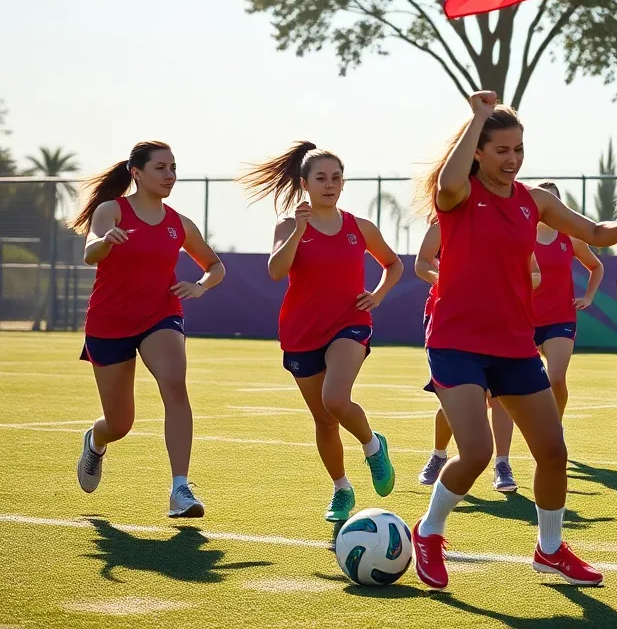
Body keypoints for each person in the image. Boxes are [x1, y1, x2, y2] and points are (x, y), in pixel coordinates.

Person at [410, 91, 617, 589]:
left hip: (514, 345)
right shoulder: (457, 197)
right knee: (475, 452)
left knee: (552, 451)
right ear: (477, 149)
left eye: (519, 149)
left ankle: (550, 549)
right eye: (501, 149)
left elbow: (595, 232)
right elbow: (450, 181)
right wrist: (475, 118)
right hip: (456, 341)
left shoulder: (534, 201)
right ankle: (429, 532)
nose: (513, 159)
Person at [238, 142, 402, 521]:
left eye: (336, 178)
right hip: (301, 331)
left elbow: (392, 265)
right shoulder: (288, 225)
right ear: (305, 184)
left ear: (343, 183)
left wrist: (377, 295)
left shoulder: (359, 227)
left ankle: (373, 446)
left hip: (350, 323)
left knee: (336, 399)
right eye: (321, 178)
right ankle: (341, 489)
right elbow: (276, 271)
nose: (330, 184)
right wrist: (298, 230)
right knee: (325, 420)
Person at [72, 141, 225, 518]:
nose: (170, 175)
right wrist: (105, 241)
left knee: (175, 383)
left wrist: (201, 285)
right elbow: (90, 250)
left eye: (173, 167)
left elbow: (214, 265)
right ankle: (96, 440)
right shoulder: (113, 211)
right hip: (110, 322)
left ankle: (180, 489)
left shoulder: (179, 223)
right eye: (161, 167)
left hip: (161, 315)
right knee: (120, 423)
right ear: (136, 172)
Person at [414, 218, 529, 492]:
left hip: (496, 318)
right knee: (458, 397)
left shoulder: (504, 218)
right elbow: (421, 263)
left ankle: (502, 464)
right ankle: (439, 454)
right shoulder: (444, 221)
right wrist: (446, 280)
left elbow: (532, 270)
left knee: (500, 395)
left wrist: (516, 285)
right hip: (448, 319)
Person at [533, 181, 605, 418]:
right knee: (521, 383)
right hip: (525, 319)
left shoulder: (570, 238)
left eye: (553, 201)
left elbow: (596, 267)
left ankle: (556, 425)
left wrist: (589, 297)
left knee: (555, 378)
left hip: (560, 318)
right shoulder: (521, 237)